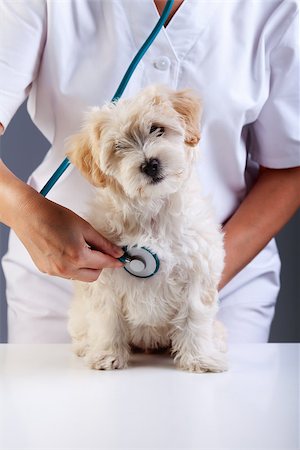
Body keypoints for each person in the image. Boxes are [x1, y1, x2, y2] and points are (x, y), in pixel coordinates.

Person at [0, 0, 299, 344]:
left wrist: (200, 277)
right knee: (68, 396)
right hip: (70, 277)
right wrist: (27, 214)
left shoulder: (279, 6)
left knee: (210, 396)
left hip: (225, 280)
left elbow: (290, 165)